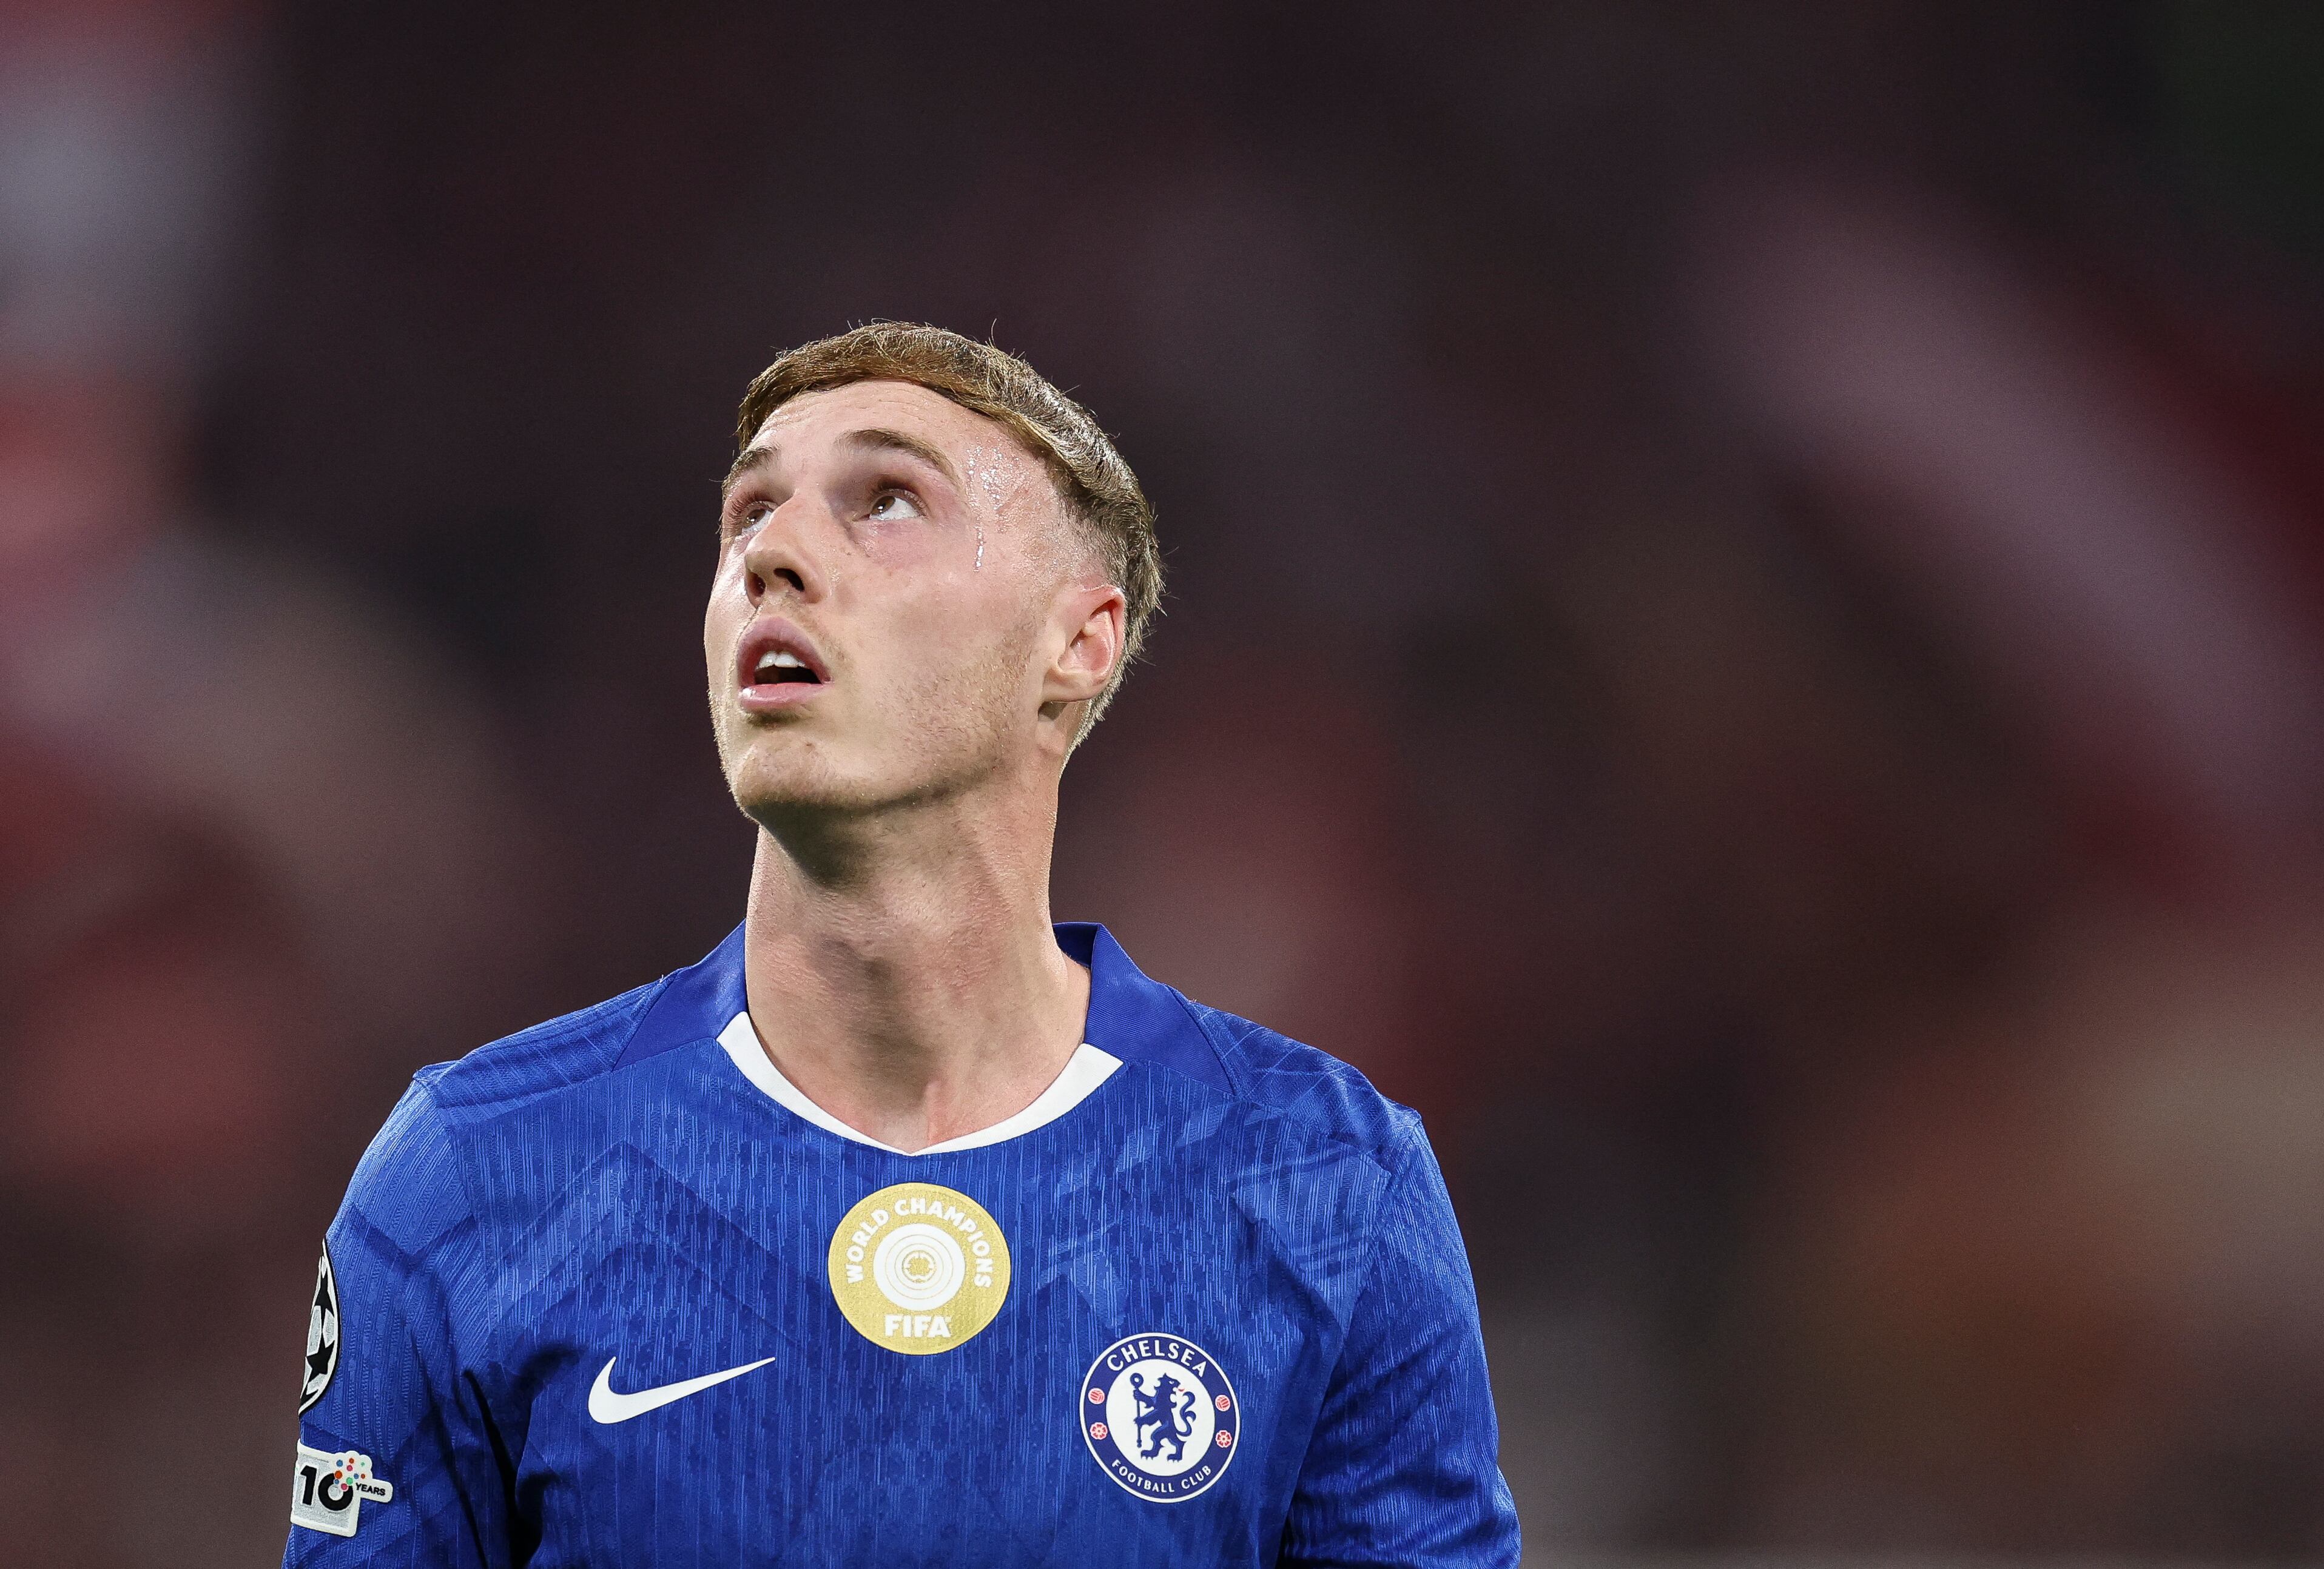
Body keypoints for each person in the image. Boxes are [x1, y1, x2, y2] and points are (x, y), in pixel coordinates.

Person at [283, 323, 1519, 1566]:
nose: (774, 552)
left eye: (884, 501)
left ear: (1074, 642)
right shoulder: (473, 1173)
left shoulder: (1324, 1183)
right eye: (747, 513)